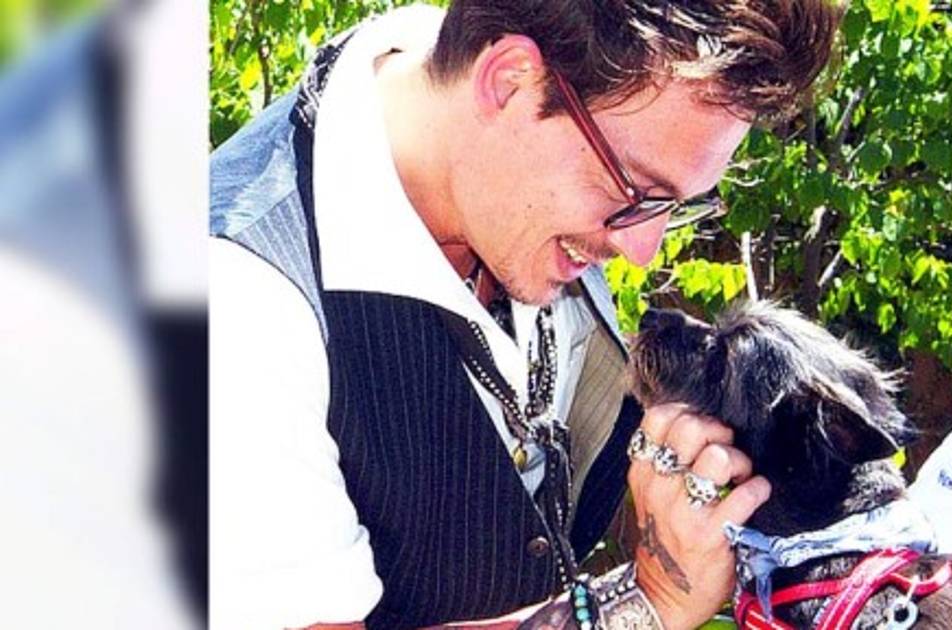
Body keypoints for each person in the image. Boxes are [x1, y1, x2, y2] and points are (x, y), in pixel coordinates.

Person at [209, 1, 843, 628]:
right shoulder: (238, 309)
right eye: (636, 191)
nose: (642, 249)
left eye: (676, 205)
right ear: (509, 81)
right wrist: (650, 601)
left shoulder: (524, 142)